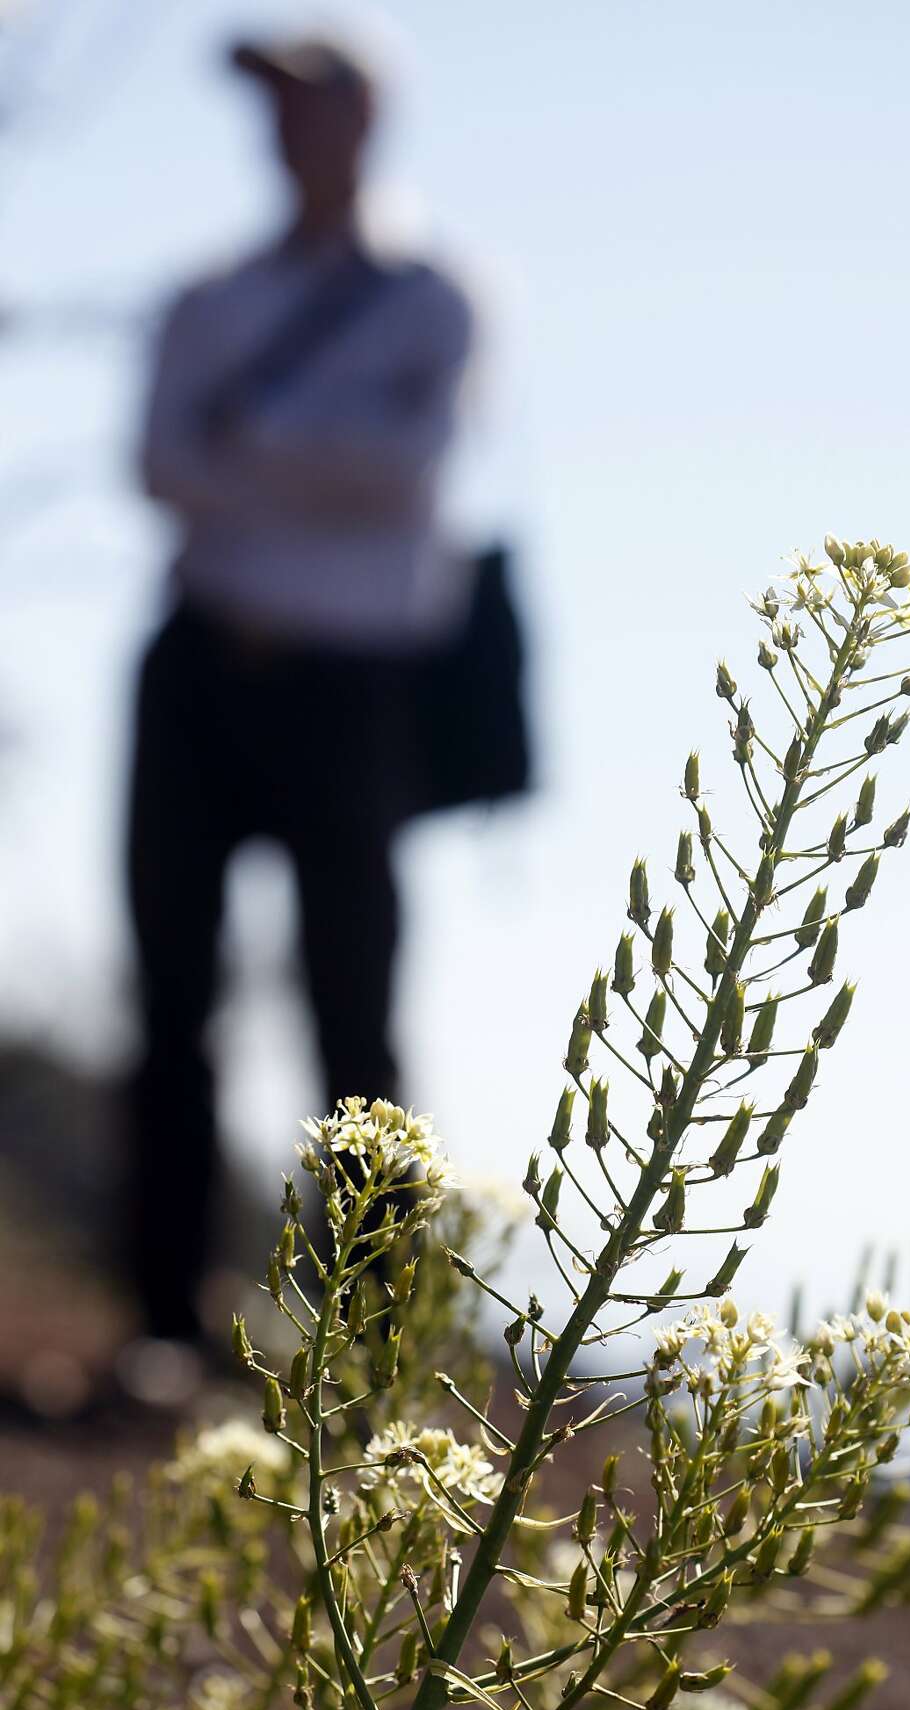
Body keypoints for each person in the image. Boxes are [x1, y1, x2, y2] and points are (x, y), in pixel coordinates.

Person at [124, 32, 473, 1371]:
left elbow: (412, 468)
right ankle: (161, 1321)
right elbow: (159, 463)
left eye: (306, 102)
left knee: (355, 1009)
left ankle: (368, 1338)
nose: (283, 129)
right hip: (198, 665)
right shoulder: (206, 296)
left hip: (352, 690)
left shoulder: (434, 294)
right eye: (267, 105)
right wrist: (324, 448)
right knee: (171, 996)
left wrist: (254, 444)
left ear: (367, 117)